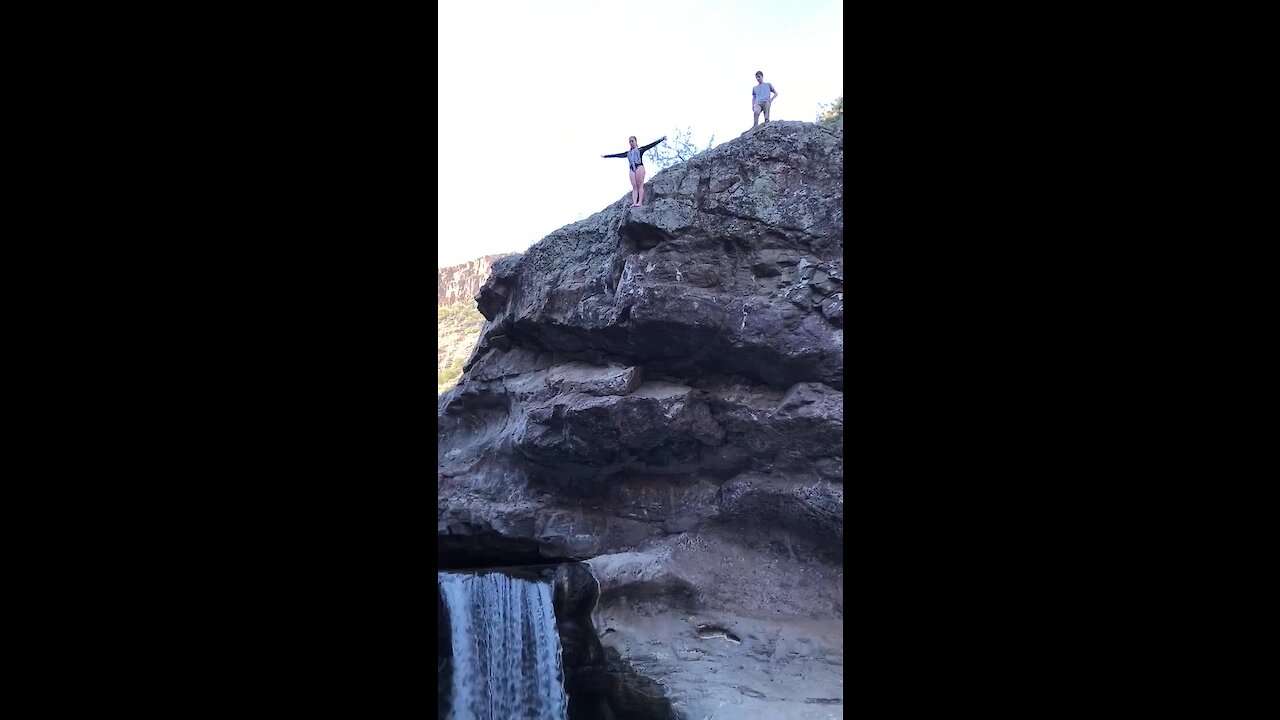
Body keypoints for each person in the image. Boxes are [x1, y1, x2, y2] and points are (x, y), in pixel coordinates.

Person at [602, 135, 665, 207]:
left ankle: (640, 202)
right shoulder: (628, 153)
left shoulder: (640, 149)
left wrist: (661, 139)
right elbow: (617, 155)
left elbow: (650, 145)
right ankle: (634, 202)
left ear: (636, 141)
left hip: (639, 167)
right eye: (630, 142)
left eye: (632, 141)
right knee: (634, 186)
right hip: (632, 169)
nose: (631, 143)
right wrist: (606, 156)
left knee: (640, 184)